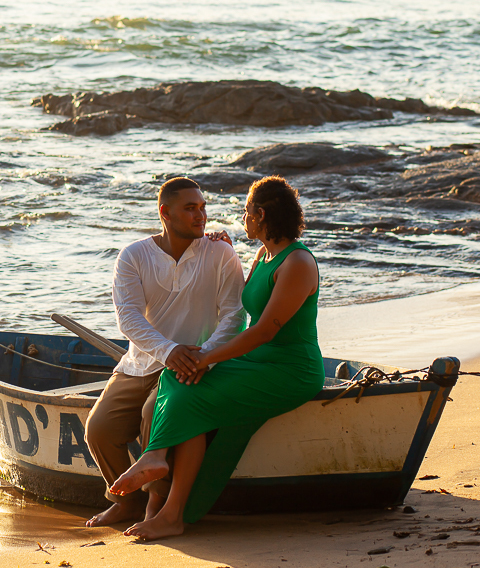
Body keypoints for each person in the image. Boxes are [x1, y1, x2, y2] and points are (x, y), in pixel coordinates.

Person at [109, 175, 325, 540]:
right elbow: (242, 298)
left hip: (291, 369)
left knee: (191, 388)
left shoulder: (298, 263)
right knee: (176, 377)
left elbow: (263, 330)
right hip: (258, 360)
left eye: (245, 212)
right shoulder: (263, 254)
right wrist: (219, 250)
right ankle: (158, 462)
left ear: (259, 215)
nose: (241, 219)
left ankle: (170, 510)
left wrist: (207, 357)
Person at [83, 176, 246, 527]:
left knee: (151, 414)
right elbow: (127, 318)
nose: (200, 215)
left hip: (195, 364)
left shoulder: (220, 252)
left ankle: (155, 507)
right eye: (190, 209)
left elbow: (235, 315)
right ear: (165, 213)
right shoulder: (134, 256)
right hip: (141, 363)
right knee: (98, 429)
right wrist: (169, 350)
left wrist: (203, 355)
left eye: (202, 208)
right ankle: (124, 502)